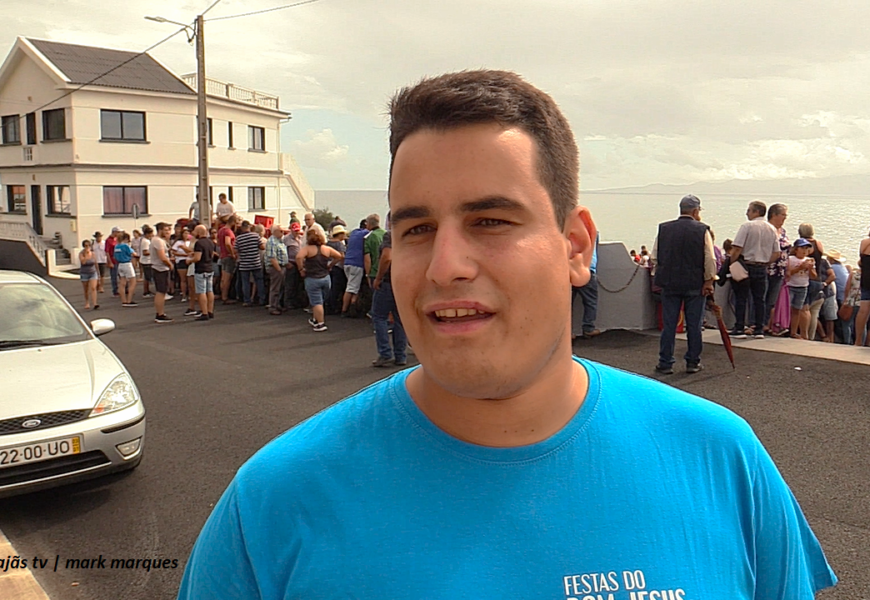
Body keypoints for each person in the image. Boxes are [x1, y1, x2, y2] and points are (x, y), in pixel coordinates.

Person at [178, 70, 835, 600]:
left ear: (575, 246)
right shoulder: (274, 505)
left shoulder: (720, 460)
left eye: (490, 220)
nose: (446, 266)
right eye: (416, 229)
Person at [650, 194, 716, 374]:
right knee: (694, 326)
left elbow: (654, 256)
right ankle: (692, 362)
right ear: (696, 211)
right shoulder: (702, 230)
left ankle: (665, 362)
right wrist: (709, 280)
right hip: (694, 284)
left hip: (670, 283)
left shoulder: (664, 228)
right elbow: (710, 258)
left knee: (669, 325)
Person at [729, 201, 779, 338]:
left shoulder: (747, 226)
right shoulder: (772, 229)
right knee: (759, 299)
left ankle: (739, 327)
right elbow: (776, 253)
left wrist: (732, 263)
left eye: (749, 210)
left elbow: (737, 248)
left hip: (746, 265)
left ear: (756, 212)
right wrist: (765, 262)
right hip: (762, 267)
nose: (747, 213)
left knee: (741, 298)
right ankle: (758, 328)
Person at [370, 229, 407, 366]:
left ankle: (385, 353)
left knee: (379, 316)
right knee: (400, 319)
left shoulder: (391, 235)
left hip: (388, 281)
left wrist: (378, 278)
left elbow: (387, 257)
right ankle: (400, 354)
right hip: (403, 281)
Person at [296, 227, 343, 332]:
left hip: (312, 278)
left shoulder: (307, 249)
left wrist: (301, 269)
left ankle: (320, 323)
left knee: (316, 302)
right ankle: (315, 319)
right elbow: (339, 256)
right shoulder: (326, 249)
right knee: (321, 299)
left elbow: (298, 257)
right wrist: (330, 265)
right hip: (325, 278)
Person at [763, 203, 789, 334]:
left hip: (780, 270)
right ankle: (758, 323)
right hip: (768, 268)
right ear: (774, 215)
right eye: (783, 215)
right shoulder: (767, 229)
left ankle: (767, 323)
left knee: (772, 300)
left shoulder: (782, 231)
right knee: (762, 297)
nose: (785, 218)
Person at [571, 231, 600, 340]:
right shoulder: (593, 234)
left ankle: (567, 332)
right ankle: (588, 328)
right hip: (587, 270)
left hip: (570, 270)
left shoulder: (569, 233)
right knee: (591, 302)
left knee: (567, 304)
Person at [786, 238, 816, 339]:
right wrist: (800, 267)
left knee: (797, 309)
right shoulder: (790, 259)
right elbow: (788, 273)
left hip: (802, 287)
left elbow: (813, 276)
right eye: (802, 248)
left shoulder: (809, 261)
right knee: (787, 308)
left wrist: (810, 269)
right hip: (791, 286)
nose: (804, 251)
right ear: (796, 249)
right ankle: (784, 327)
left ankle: (793, 332)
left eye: (806, 248)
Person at [188, 224, 216, 321]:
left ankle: (204, 312)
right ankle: (210, 311)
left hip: (201, 269)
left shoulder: (199, 243)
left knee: (201, 291)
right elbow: (211, 255)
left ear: (199, 232)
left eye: (195, 231)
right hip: (209, 268)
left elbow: (197, 258)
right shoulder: (210, 242)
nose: (193, 233)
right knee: (210, 290)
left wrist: (190, 260)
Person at [235, 220, 266, 307]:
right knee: (259, 281)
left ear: (242, 228)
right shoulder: (255, 236)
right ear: (249, 227)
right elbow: (262, 247)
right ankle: (261, 299)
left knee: (246, 282)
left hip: (244, 263)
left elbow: (235, 250)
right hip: (255, 262)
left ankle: (247, 300)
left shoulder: (238, 238)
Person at [342, 219, 368, 316]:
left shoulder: (354, 233)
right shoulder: (366, 233)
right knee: (353, 288)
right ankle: (348, 309)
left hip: (347, 262)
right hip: (356, 263)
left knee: (351, 285)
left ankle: (348, 308)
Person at [151, 222, 174, 323]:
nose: (168, 232)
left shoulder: (159, 241)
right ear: (160, 230)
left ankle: (160, 313)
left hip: (160, 268)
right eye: (166, 230)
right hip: (160, 269)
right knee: (161, 292)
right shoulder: (158, 241)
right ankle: (160, 314)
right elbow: (162, 257)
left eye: (169, 230)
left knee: (162, 291)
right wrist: (170, 264)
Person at [265, 224, 288, 315]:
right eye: (281, 231)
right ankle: (273, 306)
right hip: (276, 267)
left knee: (280, 287)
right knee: (275, 288)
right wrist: (279, 269)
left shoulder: (279, 241)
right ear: (275, 232)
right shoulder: (272, 242)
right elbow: (272, 257)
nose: (283, 233)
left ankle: (277, 304)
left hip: (281, 266)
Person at [282, 222, 305, 310]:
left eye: (298, 231)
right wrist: (286, 263)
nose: (297, 232)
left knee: (297, 284)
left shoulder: (301, 238)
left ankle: (296, 301)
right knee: (289, 284)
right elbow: (283, 251)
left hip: (299, 263)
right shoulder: (286, 239)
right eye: (295, 231)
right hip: (291, 263)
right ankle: (287, 302)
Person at [217, 215, 238, 304]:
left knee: (223, 277)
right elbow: (227, 243)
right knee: (227, 278)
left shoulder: (221, 230)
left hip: (222, 255)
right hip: (228, 256)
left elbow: (218, 243)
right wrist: (232, 253)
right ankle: (225, 297)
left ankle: (223, 295)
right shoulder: (228, 232)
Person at [854, 229, 870, 346]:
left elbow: (861, 261)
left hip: (866, 279)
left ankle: (858, 340)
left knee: (863, 310)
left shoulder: (865, 242)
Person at [114, 232, 138, 307]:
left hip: (120, 264)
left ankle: (123, 300)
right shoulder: (125, 246)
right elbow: (134, 254)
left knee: (122, 283)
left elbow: (114, 256)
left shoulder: (116, 246)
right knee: (133, 282)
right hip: (127, 263)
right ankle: (129, 300)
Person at [363, 213, 386, 285]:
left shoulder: (369, 237)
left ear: (369, 224)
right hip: (386, 271)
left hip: (374, 272)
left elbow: (367, 259)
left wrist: (367, 274)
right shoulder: (386, 234)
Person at [78, 240, 99, 310]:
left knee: (93, 288)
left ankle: (95, 303)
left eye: (88, 245)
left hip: (93, 272)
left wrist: (98, 272)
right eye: (86, 246)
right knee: (86, 289)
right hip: (84, 273)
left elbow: (95, 263)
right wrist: (87, 255)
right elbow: (83, 262)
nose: (87, 247)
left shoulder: (93, 254)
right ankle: (87, 302)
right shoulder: (81, 254)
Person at [105, 226, 120, 296]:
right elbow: (107, 252)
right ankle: (115, 290)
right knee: (114, 275)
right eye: (118, 232)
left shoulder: (116, 239)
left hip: (118, 259)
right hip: (112, 259)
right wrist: (109, 261)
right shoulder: (108, 240)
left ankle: (125, 288)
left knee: (121, 274)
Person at [140, 225, 154, 298]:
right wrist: (153, 252)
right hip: (147, 261)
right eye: (151, 234)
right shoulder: (145, 241)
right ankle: (146, 292)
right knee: (148, 277)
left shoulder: (146, 240)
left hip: (147, 261)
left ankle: (147, 290)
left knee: (146, 277)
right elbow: (145, 252)